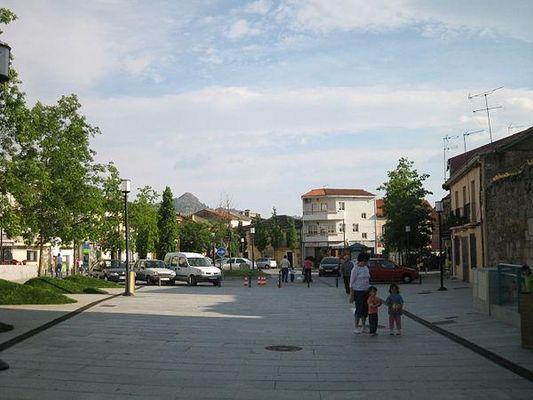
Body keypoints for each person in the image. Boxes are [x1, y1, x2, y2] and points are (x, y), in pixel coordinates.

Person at [349, 252, 371, 334]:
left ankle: (364, 326)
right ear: (361, 260)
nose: (366, 263)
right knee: (359, 309)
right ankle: (356, 327)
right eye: (365, 261)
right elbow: (351, 283)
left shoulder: (366, 268)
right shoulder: (355, 269)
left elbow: (367, 279)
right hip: (358, 291)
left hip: (366, 291)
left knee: (365, 309)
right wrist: (351, 295)